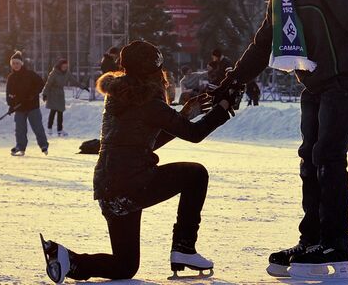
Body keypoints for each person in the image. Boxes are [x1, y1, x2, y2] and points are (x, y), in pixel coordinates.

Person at [211, 0, 348, 280]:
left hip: (345, 81)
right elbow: (265, 43)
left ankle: (337, 243)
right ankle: (312, 241)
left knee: (328, 156)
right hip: (315, 84)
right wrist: (234, 80)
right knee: (309, 159)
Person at [39, 40, 240, 283]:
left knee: (125, 266)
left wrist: (184, 115)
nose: (164, 77)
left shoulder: (118, 96)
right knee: (195, 175)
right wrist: (224, 108)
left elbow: (145, 142)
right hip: (132, 183)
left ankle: (68, 260)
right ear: (152, 71)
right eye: (160, 71)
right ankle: (184, 248)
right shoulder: (149, 102)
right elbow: (194, 135)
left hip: (109, 189)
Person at [6, 51, 49, 156]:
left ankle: (43, 145)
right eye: (14, 64)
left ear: (21, 64)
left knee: (37, 127)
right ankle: (20, 147)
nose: (16, 66)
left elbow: (41, 83)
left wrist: (33, 94)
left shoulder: (30, 74)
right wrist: (11, 106)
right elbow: (9, 93)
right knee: (20, 129)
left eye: (17, 63)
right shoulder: (11, 78)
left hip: (32, 106)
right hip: (19, 107)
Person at [43, 59, 85, 137]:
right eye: (63, 66)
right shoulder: (54, 73)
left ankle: (59, 130)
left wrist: (83, 86)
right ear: (60, 66)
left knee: (60, 112)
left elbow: (73, 81)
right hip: (53, 93)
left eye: (66, 66)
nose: (65, 68)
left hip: (60, 94)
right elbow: (48, 84)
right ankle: (49, 129)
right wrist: (45, 94)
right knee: (53, 111)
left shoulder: (67, 73)